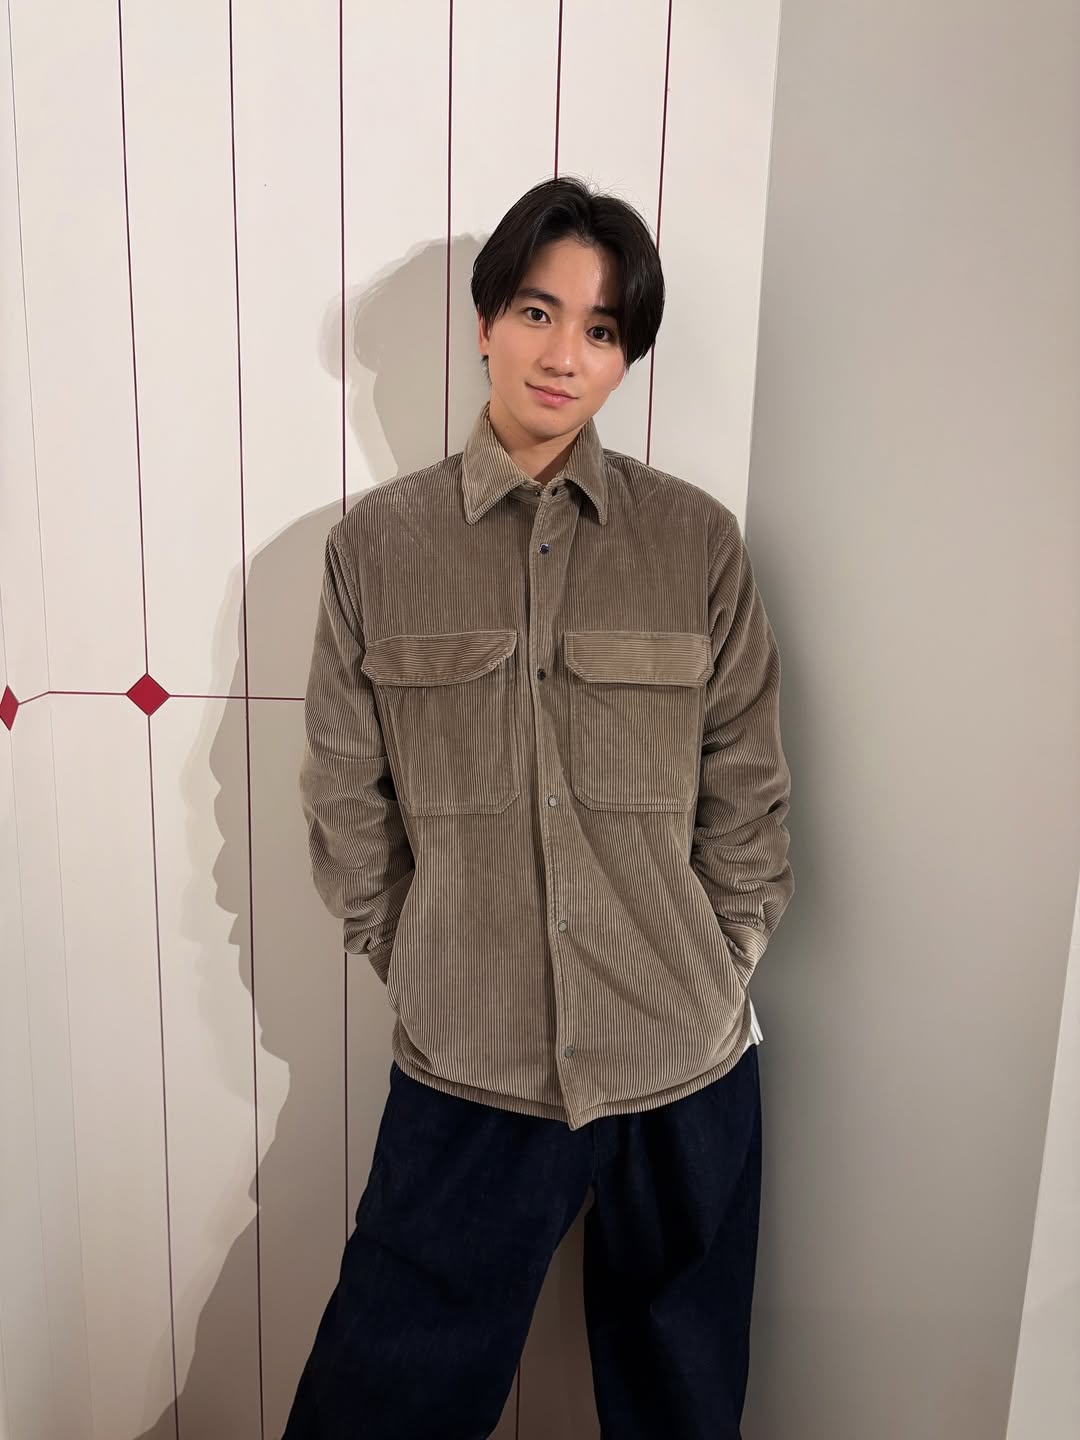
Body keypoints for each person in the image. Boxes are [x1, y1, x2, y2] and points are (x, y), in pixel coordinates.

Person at [283, 175, 794, 1440]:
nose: (566, 355)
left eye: (603, 329)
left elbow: (746, 781)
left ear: (626, 355)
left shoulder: (697, 544)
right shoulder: (376, 551)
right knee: (379, 1404)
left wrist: (724, 957)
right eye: (538, 311)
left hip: (681, 1064)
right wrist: (415, 957)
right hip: (472, 1062)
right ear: (486, 323)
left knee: (682, 1407)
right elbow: (345, 795)